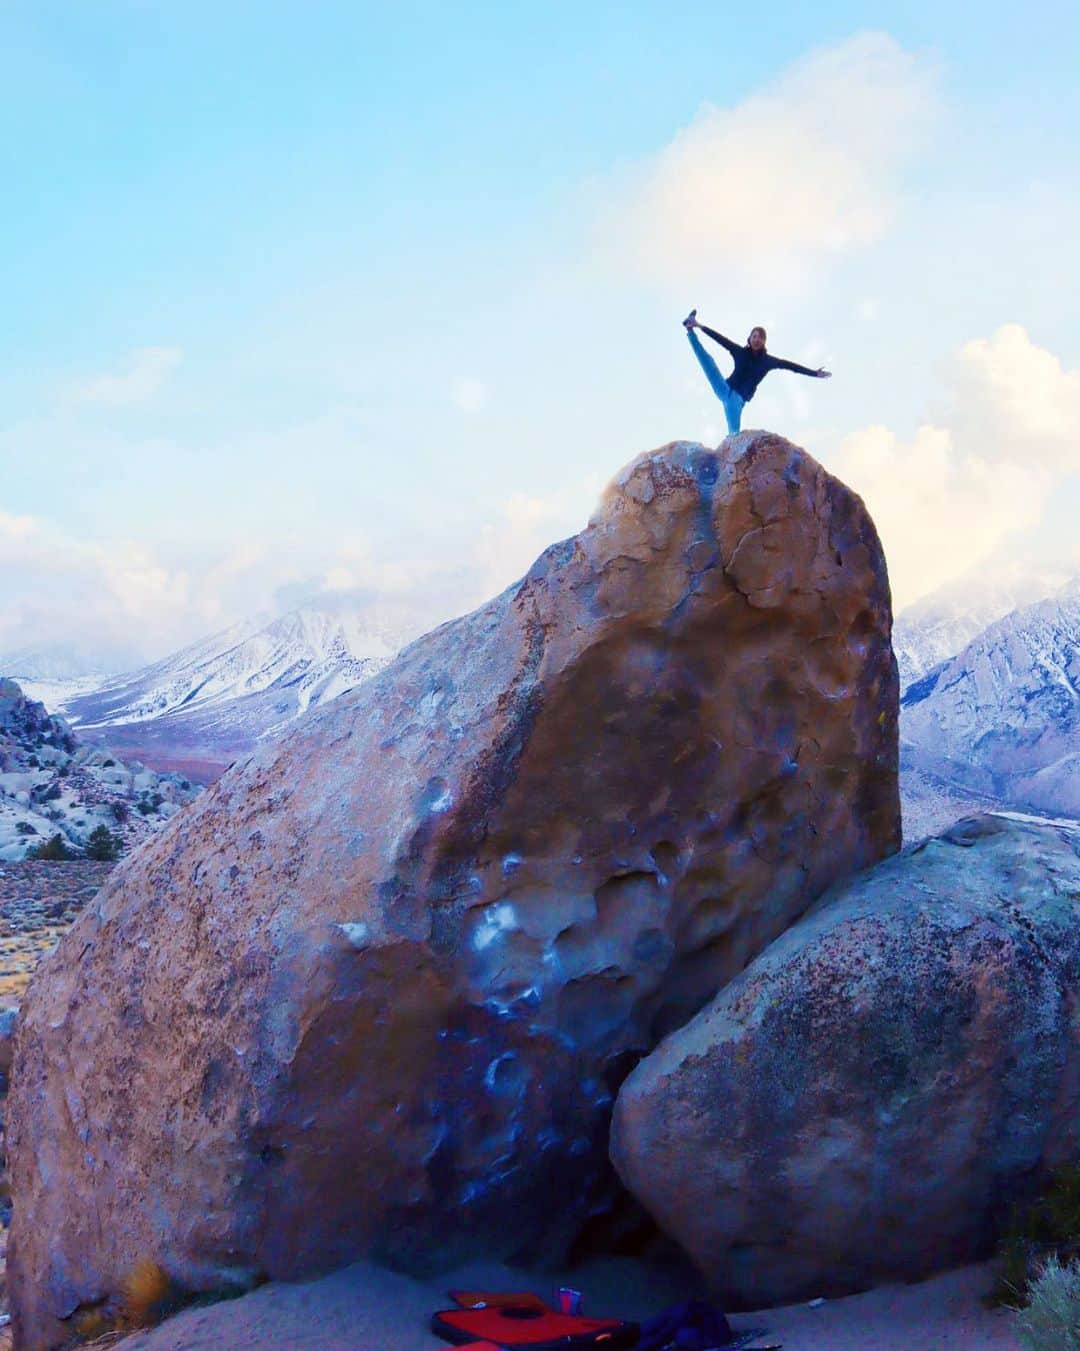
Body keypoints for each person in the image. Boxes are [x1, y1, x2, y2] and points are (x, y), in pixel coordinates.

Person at [682, 308, 831, 434]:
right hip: (724, 388)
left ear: (764, 342)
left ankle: (734, 464)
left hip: (736, 401)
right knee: (709, 363)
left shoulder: (767, 362)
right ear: (749, 338)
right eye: (754, 336)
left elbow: (791, 366)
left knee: (734, 435)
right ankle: (691, 327)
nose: (756, 339)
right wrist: (699, 326)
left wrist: (814, 373)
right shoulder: (739, 352)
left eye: (760, 338)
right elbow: (720, 339)